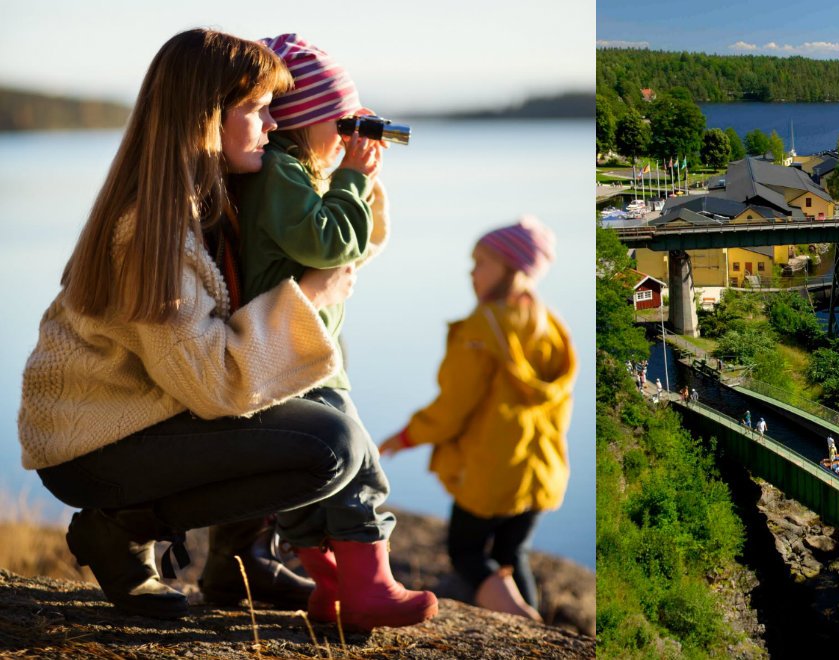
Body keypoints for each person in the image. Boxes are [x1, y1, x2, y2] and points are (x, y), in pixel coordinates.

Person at [17, 29, 436, 628]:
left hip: (145, 418)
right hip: (92, 444)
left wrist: (350, 174)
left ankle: (242, 559)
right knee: (330, 445)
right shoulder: (152, 235)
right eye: (259, 109)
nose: (274, 123)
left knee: (298, 411)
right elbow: (215, 386)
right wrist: (309, 297)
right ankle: (120, 527)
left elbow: (332, 254)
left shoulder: (209, 197)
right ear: (207, 117)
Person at [216, 33, 435, 629]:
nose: (347, 134)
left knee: (307, 480)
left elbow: (353, 246)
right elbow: (332, 243)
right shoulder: (279, 174)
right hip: (295, 351)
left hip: (289, 351)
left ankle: (332, 588)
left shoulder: (286, 172)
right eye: (340, 122)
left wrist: (350, 173)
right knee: (358, 462)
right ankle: (370, 588)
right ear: (303, 119)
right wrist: (352, 177)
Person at [380, 217, 574, 622]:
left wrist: (407, 436)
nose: (472, 272)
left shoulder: (483, 327)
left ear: (512, 268)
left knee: (466, 552)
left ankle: (522, 620)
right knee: (511, 552)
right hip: (540, 469)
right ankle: (534, 626)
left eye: (481, 262)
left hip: (492, 471)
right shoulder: (552, 325)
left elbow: (453, 408)